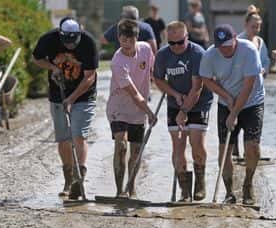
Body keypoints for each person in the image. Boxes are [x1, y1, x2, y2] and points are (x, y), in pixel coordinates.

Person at [32, 17, 98, 199]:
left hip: (84, 95)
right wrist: (53, 68)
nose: (70, 46)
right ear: (60, 35)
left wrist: (72, 98)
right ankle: (68, 181)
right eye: (66, 42)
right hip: (58, 95)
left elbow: (90, 76)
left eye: (73, 41)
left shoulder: (88, 42)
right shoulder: (48, 39)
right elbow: (36, 58)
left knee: (78, 134)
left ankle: (79, 179)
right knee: (63, 139)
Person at [200, 24, 265, 204]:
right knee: (224, 150)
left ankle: (248, 184)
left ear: (235, 38)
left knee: (251, 146)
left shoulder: (249, 51)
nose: (225, 50)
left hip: (252, 101)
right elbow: (206, 79)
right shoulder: (210, 55)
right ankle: (229, 191)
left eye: (228, 45)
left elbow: (249, 85)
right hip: (225, 102)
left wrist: (234, 112)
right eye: (221, 46)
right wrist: (226, 97)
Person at [153, 21, 213, 202]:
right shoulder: (162, 55)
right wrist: (174, 94)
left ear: (187, 37)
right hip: (175, 102)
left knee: (197, 144)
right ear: (167, 41)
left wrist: (184, 110)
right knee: (178, 147)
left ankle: (200, 185)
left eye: (180, 42)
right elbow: (158, 79)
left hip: (199, 101)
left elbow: (197, 88)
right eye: (172, 43)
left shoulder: (197, 54)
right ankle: (185, 191)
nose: (177, 47)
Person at [106, 19, 157, 198]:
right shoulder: (118, 62)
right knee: (121, 145)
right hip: (118, 107)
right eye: (122, 41)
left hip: (138, 112)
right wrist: (150, 112)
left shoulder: (146, 49)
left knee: (136, 152)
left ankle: (132, 188)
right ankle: (120, 191)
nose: (126, 45)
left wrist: (163, 81)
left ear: (136, 38)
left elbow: (154, 71)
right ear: (118, 39)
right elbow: (134, 94)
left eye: (130, 41)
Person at [234, 5, 270, 159]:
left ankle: (250, 153)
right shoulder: (238, 41)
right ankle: (234, 152)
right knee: (236, 123)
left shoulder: (260, 42)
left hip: (256, 92)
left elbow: (266, 62)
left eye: (259, 27)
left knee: (253, 126)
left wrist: (263, 70)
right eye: (253, 26)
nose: (256, 29)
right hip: (239, 89)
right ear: (246, 25)